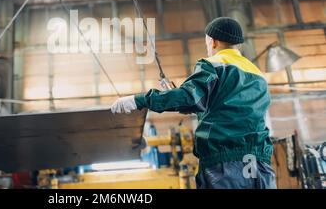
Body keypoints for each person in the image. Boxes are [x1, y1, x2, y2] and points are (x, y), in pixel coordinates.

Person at [111, 17, 276, 189]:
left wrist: (139, 100)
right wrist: (177, 94)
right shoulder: (258, 76)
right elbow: (223, 108)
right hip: (261, 166)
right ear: (237, 44)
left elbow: (189, 97)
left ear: (213, 42)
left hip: (224, 166)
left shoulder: (213, 65)